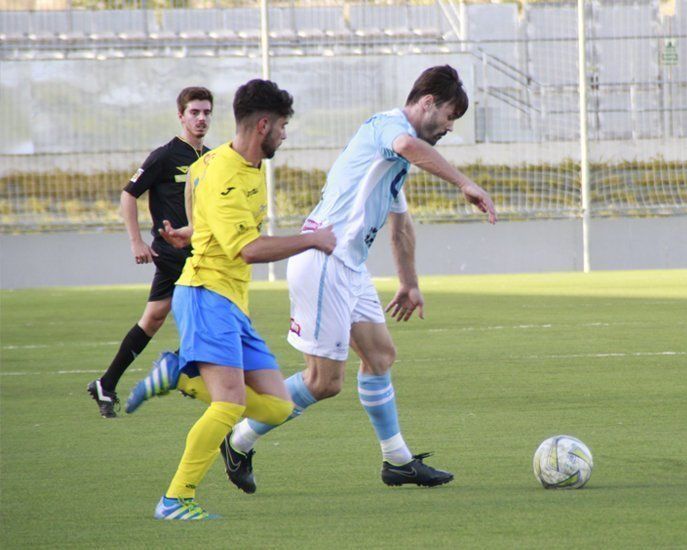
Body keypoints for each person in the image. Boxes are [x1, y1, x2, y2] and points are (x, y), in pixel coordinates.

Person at [220, 65, 497, 492]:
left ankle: (398, 462)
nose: (450, 128)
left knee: (380, 357)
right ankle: (238, 440)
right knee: (323, 382)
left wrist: (409, 282)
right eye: (449, 116)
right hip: (322, 258)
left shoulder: (393, 161)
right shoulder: (389, 130)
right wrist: (465, 182)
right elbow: (406, 144)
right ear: (428, 103)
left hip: (348, 267)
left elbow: (400, 224)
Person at [124, 79, 337, 520]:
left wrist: (187, 233)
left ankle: (178, 377)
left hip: (230, 301)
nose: (284, 134)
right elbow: (249, 249)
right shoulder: (221, 172)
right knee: (228, 405)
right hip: (206, 294)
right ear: (263, 125)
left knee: (278, 404)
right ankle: (175, 499)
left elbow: (202, 220)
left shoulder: (227, 163)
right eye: (281, 127)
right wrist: (312, 240)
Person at [87, 87, 214, 418]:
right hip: (175, 253)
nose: (201, 118)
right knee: (208, 313)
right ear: (181, 116)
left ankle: (106, 383)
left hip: (202, 252)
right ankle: (185, 371)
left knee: (155, 317)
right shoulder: (165, 156)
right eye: (195, 112)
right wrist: (136, 241)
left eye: (206, 112)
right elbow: (129, 194)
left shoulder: (213, 159)